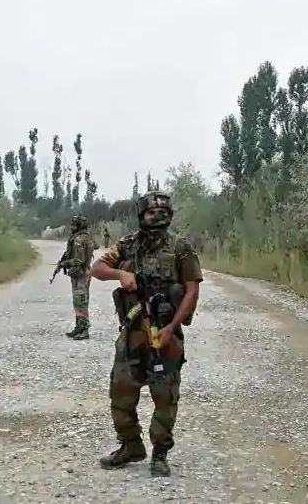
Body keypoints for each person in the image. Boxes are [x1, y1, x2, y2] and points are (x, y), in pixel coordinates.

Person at [91, 191, 202, 477]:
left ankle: (160, 454)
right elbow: (97, 268)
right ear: (142, 216)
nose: (157, 217)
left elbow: (192, 292)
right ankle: (131, 446)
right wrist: (120, 275)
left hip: (165, 334)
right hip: (132, 334)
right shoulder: (128, 244)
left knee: (165, 396)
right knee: (121, 392)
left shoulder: (181, 248)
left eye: (163, 212)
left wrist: (171, 328)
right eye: (151, 212)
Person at [62, 214, 95, 340]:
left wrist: (65, 263)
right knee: (80, 300)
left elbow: (78, 260)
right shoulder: (87, 237)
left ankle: (84, 329)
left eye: (74, 224)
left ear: (79, 225)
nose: (71, 227)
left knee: (80, 301)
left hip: (80, 273)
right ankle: (79, 326)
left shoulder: (78, 240)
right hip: (84, 273)